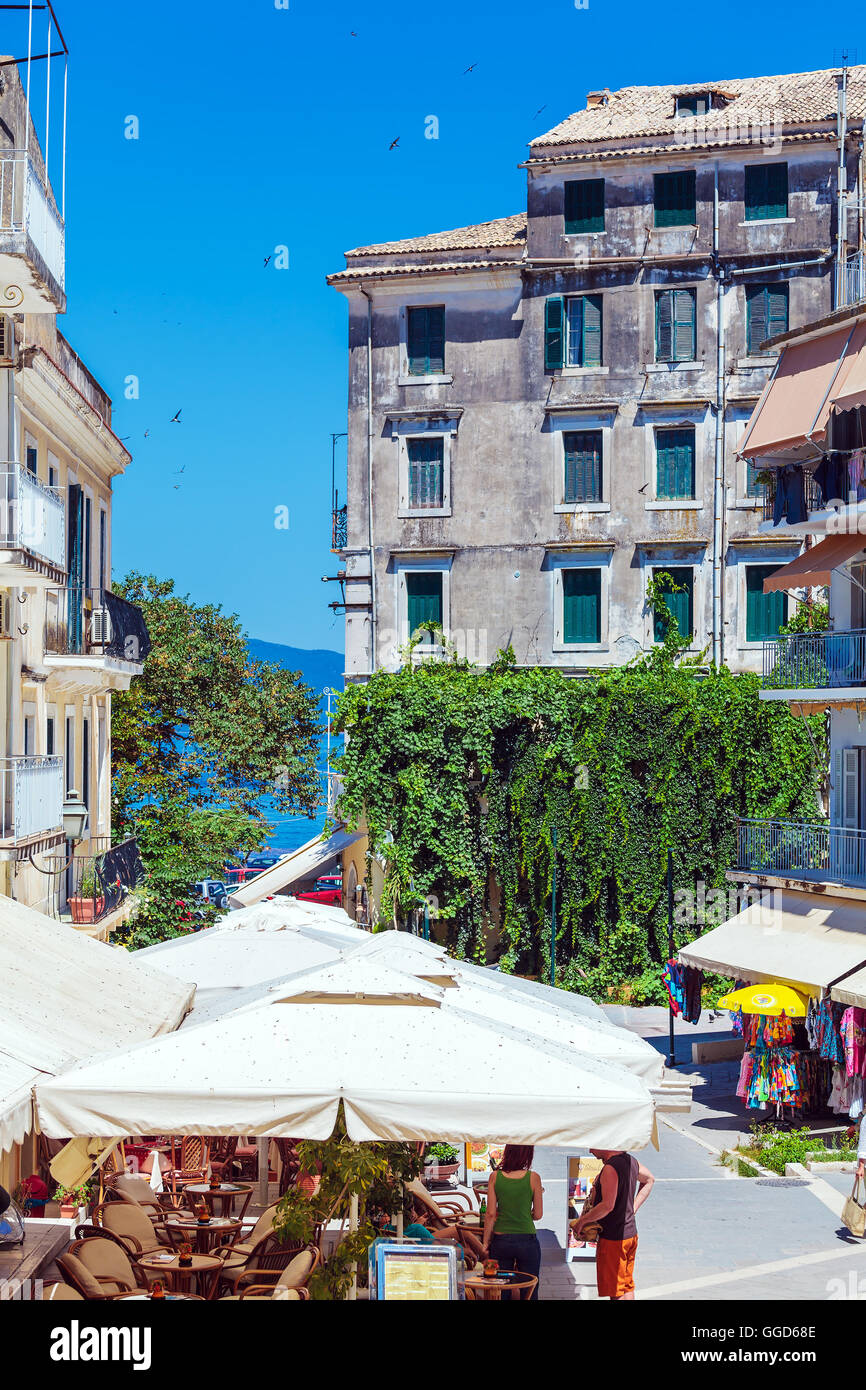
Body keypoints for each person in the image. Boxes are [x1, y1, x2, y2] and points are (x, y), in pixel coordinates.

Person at [573, 1149, 654, 1301]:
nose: (590, 1150)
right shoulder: (631, 1161)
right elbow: (649, 1179)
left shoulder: (610, 1168)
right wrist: (632, 1209)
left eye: (593, 1145)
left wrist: (582, 1221)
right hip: (630, 1235)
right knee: (626, 1285)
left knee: (616, 1291)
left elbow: (607, 1206)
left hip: (614, 1239)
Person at [482, 1144, 543, 1299]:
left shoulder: (495, 1177)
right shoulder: (534, 1177)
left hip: (501, 1240)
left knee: (502, 1289)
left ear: (507, 1153)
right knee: (529, 1289)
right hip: (527, 1240)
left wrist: (485, 1242)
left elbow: (490, 1214)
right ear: (528, 1155)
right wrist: (522, 1213)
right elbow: (538, 1214)